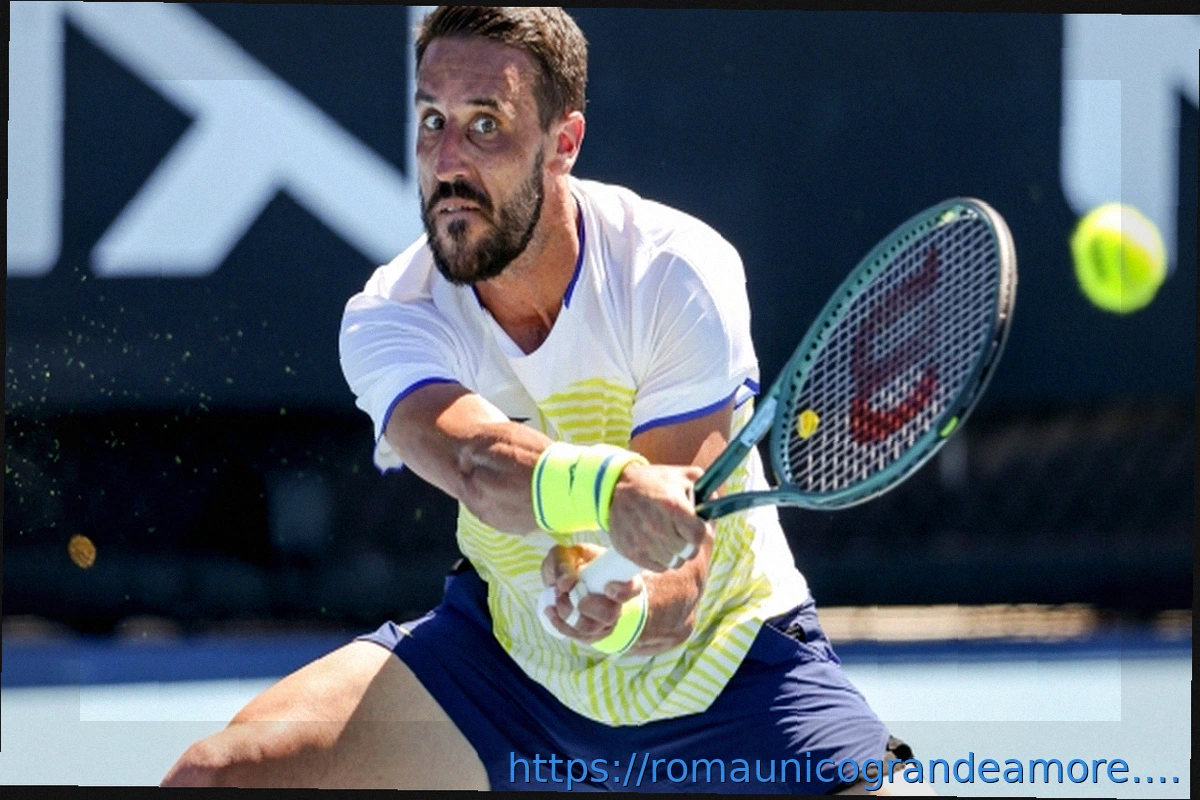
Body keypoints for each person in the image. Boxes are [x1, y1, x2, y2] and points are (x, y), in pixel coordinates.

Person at [162, 7, 907, 792]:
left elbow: (683, 589)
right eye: (431, 120)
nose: (447, 160)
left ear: (564, 143)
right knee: (215, 778)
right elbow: (476, 463)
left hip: (738, 677)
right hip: (504, 680)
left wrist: (616, 611)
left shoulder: (673, 271)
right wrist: (611, 492)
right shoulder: (391, 313)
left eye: (486, 124)